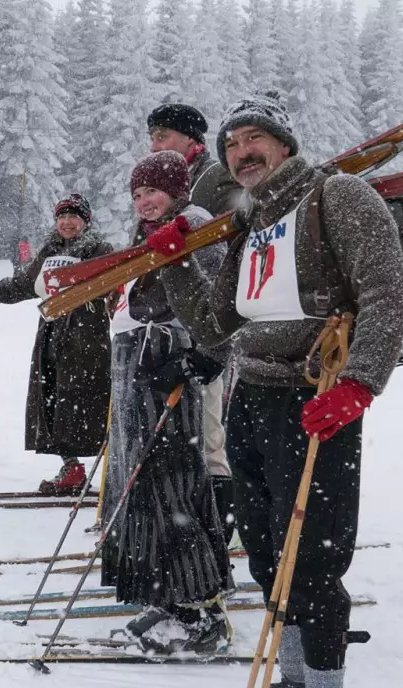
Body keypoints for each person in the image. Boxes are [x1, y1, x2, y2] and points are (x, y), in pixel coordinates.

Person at [154, 91, 403, 688]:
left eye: (253, 139)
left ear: (283, 143)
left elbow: (389, 293)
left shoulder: (341, 196)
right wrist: (177, 263)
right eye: (231, 144)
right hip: (252, 396)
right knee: (269, 553)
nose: (241, 152)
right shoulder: (249, 221)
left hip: (317, 395)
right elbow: (215, 326)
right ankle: (294, 687)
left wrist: (360, 383)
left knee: (317, 560)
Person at [103, 152, 233, 655]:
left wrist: (195, 358)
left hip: (165, 368)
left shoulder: (195, 230)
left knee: (172, 485)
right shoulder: (153, 235)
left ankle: (200, 609)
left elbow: (218, 307)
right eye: (137, 194)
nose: (144, 201)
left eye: (153, 190)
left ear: (177, 189)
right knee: (144, 488)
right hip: (139, 368)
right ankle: (166, 596)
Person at [0, 194, 113, 495]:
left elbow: (113, 287)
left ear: (86, 220)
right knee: (51, 403)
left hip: (87, 342)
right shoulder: (49, 251)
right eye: (62, 216)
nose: (67, 222)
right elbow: (21, 286)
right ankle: (72, 468)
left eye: (73, 216)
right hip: (52, 338)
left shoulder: (99, 249)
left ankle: (109, 467)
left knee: (86, 406)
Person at [148, 102, 241, 540]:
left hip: (214, 326)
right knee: (196, 436)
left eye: (163, 135)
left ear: (190, 139)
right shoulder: (168, 185)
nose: (154, 144)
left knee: (210, 435)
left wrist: (214, 341)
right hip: (180, 325)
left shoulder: (212, 179)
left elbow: (228, 251)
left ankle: (218, 535)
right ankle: (195, 529)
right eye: (152, 136)